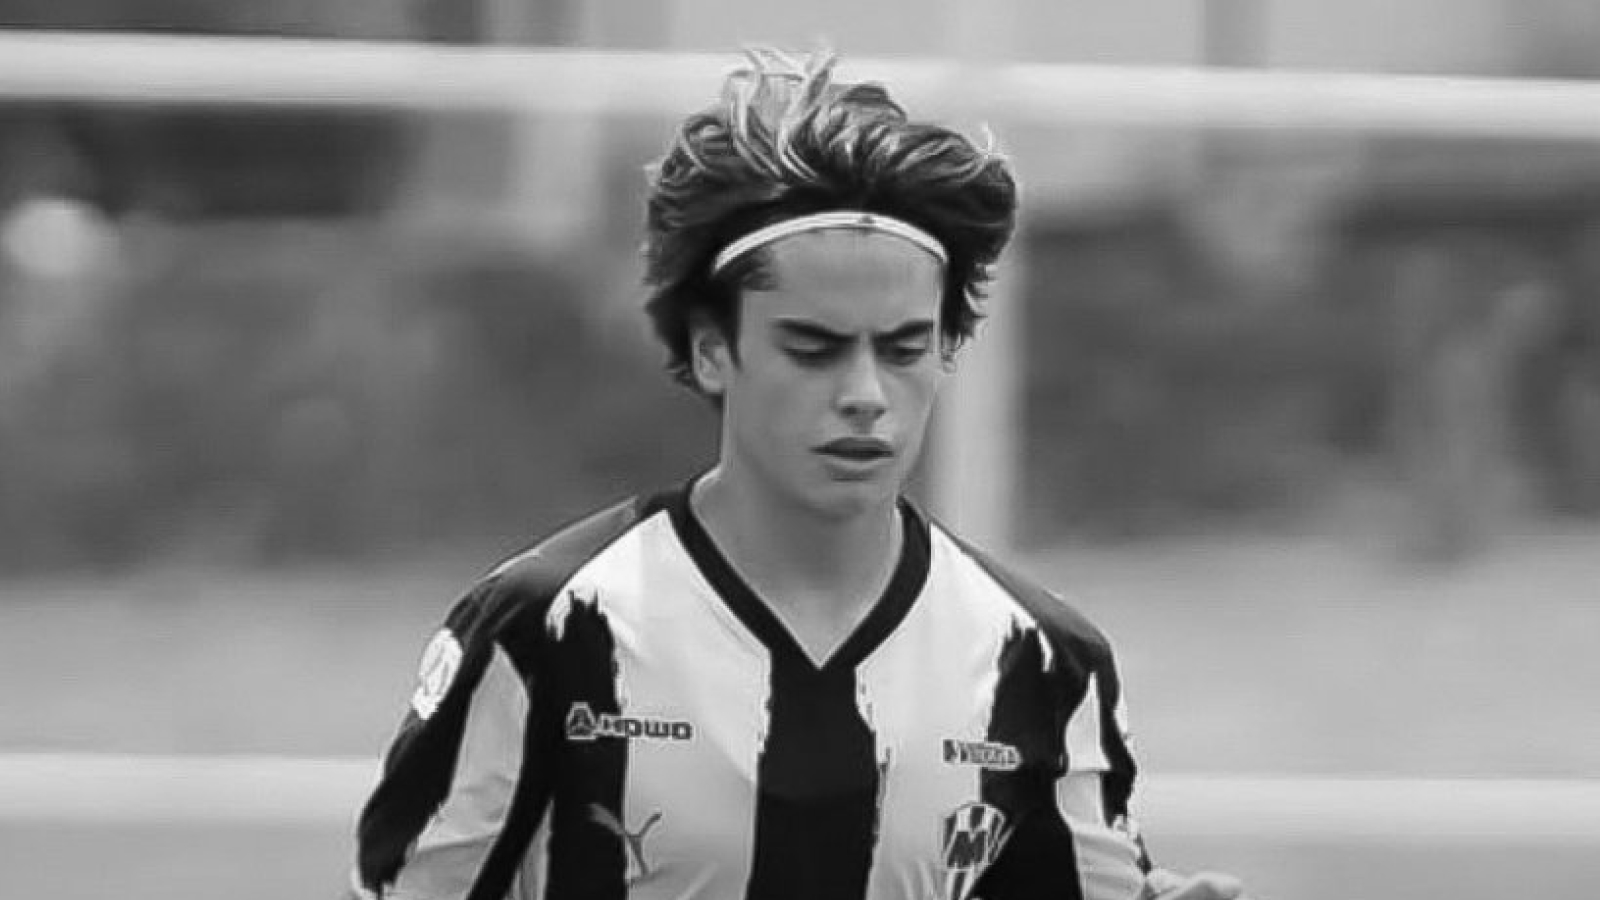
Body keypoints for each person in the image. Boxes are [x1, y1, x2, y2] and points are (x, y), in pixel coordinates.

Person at [348, 48, 1252, 900]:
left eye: (903, 349)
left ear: (946, 350)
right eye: (813, 349)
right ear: (712, 349)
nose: (865, 395)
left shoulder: (1042, 662)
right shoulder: (547, 630)